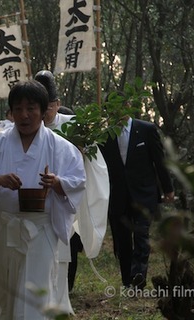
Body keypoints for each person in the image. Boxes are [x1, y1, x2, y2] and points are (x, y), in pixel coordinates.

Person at [0, 80, 86, 319]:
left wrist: (57, 183)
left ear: (44, 112)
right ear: (11, 112)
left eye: (31, 108)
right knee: (4, 291)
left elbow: (78, 181)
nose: (24, 115)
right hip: (4, 227)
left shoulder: (61, 147)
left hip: (41, 231)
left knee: (36, 293)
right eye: (18, 108)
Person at [35, 70, 109, 292]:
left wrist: (81, 152)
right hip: (39, 195)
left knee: (68, 239)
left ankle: (66, 288)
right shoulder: (30, 128)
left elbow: (95, 161)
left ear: (57, 104)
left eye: (48, 105)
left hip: (68, 193)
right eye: (39, 105)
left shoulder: (74, 124)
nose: (44, 112)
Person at [99, 92, 175, 289]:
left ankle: (139, 274)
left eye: (120, 106)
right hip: (117, 195)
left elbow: (159, 161)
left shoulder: (146, 129)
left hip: (144, 193)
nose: (116, 111)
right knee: (122, 239)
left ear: (128, 105)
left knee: (141, 235)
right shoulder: (104, 136)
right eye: (111, 108)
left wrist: (168, 189)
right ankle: (127, 279)